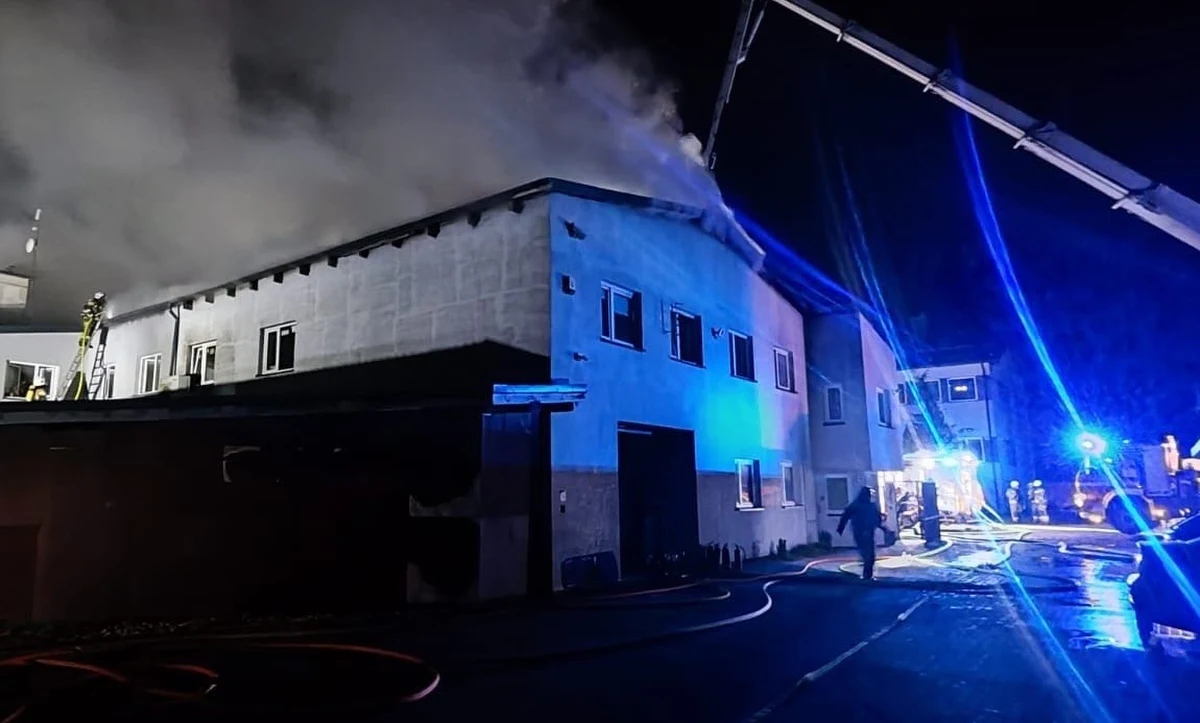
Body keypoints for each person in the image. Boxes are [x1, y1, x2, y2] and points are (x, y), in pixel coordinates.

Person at [837, 487, 890, 581]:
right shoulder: (867, 506)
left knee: (868, 554)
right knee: (868, 554)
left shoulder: (859, 505)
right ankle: (867, 575)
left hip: (862, 532)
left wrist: (840, 528)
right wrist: (883, 528)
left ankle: (867, 575)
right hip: (863, 532)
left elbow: (845, 516)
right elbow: (877, 520)